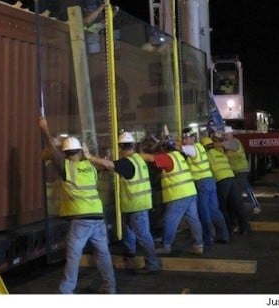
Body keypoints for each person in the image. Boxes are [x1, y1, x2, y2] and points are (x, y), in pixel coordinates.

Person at [38, 117, 116, 294]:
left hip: (81, 219)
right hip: (97, 216)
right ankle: (110, 287)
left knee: (73, 257)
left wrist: (45, 129)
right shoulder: (90, 167)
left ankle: (66, 292)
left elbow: (51, 149)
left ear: (66, 154)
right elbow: (107, 166)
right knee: (103, 254)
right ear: (80, 152)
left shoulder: (66, 166)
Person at [81, 131, 160, 275]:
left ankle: (153, 265)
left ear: (120, 147)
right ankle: (129, 253)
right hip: (137, 204)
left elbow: (109, 164)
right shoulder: (138, 159)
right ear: (133, 145)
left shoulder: (126, 162)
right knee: (130, 230)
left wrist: (90, 157)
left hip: (136, 206)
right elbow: (114, 167)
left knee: (143, 236)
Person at [139, 135, 204, 255]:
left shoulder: (167, 158)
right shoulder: (178, 156)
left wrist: (135, 156)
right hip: (190, 192)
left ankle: (166, 246)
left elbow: (151, 158)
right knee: (193, 220)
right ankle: (199, 245)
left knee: (169, 220)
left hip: (178, 195)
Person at [180, 128, 230, 246]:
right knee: (214, 210)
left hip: (202, 183)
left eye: (186, 138)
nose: (184, 140)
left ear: (192, 138)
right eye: (183, 138)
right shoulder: (200, 147)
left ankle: (208, 238)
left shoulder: (192, 148)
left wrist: (171, 142)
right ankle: (224, 235)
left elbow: (179, 148)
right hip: (210, 181)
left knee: (204, 212)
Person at [201, 136, 251, 236]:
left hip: (221, 181)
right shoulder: (221, 154)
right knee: (236, 204)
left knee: (223, 207)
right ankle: (245, 228)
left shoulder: (206, 156)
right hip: (232, 178)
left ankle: (228, 231)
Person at [222, 126, 261, 214]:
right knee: (245, 188)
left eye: (227, 135)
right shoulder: (228, 144)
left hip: (241, 169)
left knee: (243, 188)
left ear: (232, 134)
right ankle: (252, 206)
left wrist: (211, 145)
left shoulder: (235, 142)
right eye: (224, 135)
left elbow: (221, 145)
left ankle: (252, 207)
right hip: (234, 170)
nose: (225, 137)